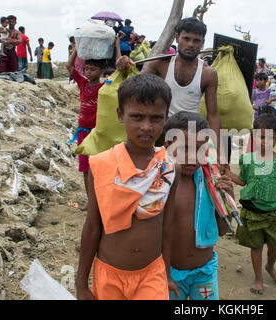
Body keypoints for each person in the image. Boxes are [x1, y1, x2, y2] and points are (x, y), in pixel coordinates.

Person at [76, 73, 180, 300]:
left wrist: (167, 274)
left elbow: (167, 227)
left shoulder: (169, 167)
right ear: (120, 115)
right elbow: (93, 226)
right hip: (109, 274)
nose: (146, 126)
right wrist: (81, 284)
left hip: (152, 273)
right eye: (137, 116)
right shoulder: (102, 164)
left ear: (166, 118)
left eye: (155, 118)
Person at [116, 17, 223, 164]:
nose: (191, 44)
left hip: (190, 133)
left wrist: (217, 151)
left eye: (196, 40)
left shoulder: (208, 73)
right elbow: (135, 86)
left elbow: (213, 115)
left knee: (185, 178)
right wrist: (125, 64)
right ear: (177, 38)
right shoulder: (161, 62)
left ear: (202, 43)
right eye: (186, 39)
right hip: (161, 130)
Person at [224, 113, 276, 295]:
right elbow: (242, 181)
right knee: (256, 246)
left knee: (274, 245)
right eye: (261, 136)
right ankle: (258, 278)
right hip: (252, 212)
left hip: (274, 212)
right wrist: (226, 171)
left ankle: (270, 267)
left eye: (270, 137)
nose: (265, 141)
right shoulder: (247, 159)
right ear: (254, 136)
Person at [163, 111, 234, 300]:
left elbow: (221, 231)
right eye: (185, 148)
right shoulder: (161, 186)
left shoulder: (210, 183)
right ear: (167, 147)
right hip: (168, 274)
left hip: (204, 272)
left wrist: (227, 200)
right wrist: (164, 274)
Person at [67, 47, 106, 211]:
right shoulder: (82, 83)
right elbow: (69, 66)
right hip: (83, 132)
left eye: (93, 69)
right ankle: (90, 201)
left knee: (99, 169)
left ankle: (101, 201)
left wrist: (118, 47)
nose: (88, 72)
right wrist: (77, 49)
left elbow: (121, 74)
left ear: (101, 71)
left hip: (98, 133)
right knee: (85, 169)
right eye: (87, 69)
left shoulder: (105, 87)